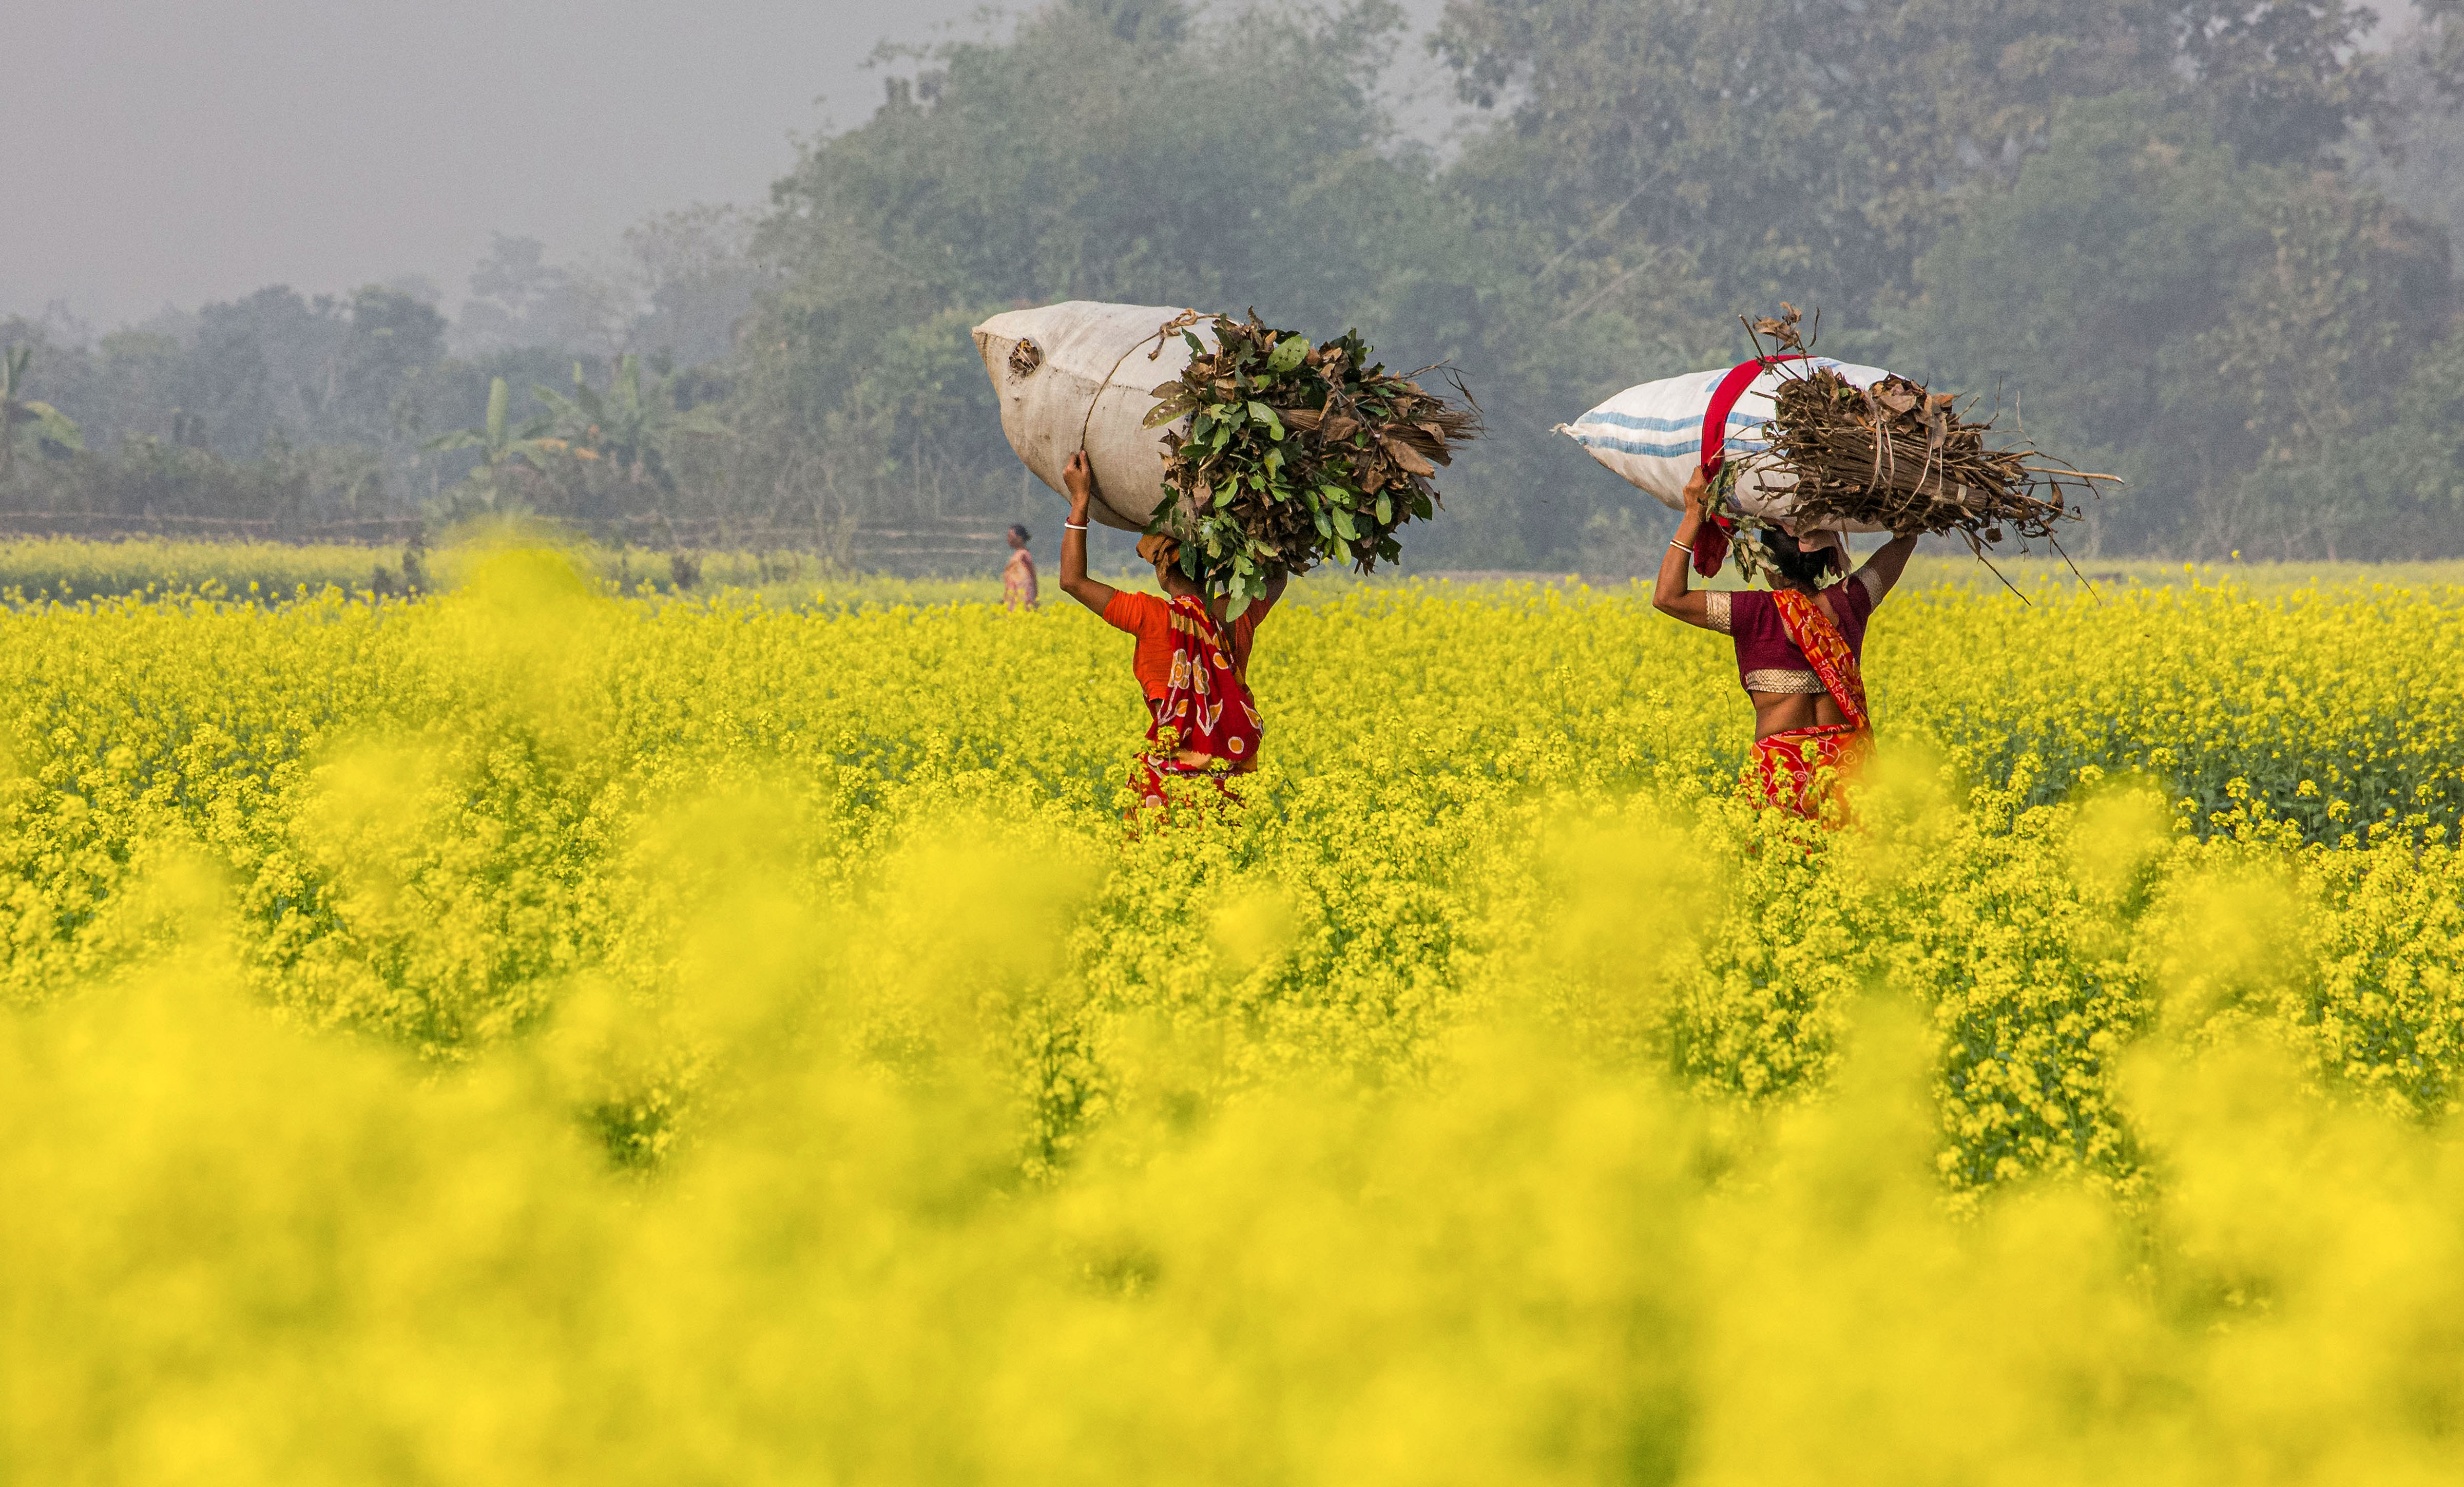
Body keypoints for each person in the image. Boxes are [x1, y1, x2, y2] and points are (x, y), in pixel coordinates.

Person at [1651, 465, 1919, 822]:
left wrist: (1693, 514)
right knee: (1848, 873)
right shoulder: (1851, 602)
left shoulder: (1753, 613)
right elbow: (1907, 537)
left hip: (1781, 779)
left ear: (1768, 567)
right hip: (1847, 776)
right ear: (1829, 558)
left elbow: (1668, 598)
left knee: (1783, 873)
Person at [1054, 450, 1289, 812]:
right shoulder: (1237, 614)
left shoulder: (1150, 616)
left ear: (1162, 568)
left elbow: (1072, 581)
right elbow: (1278, 573)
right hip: (1228, 787)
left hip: (1167, 789)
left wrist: (1080, 498)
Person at [1003, 523, 1039, 611]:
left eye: (1011, 536)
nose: (1009, 539)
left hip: (1023, 594)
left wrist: (1035, 596)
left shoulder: (1024, 554)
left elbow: (1032, 574)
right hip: (1014, 593)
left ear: (1020, 538)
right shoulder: (1018, 554)